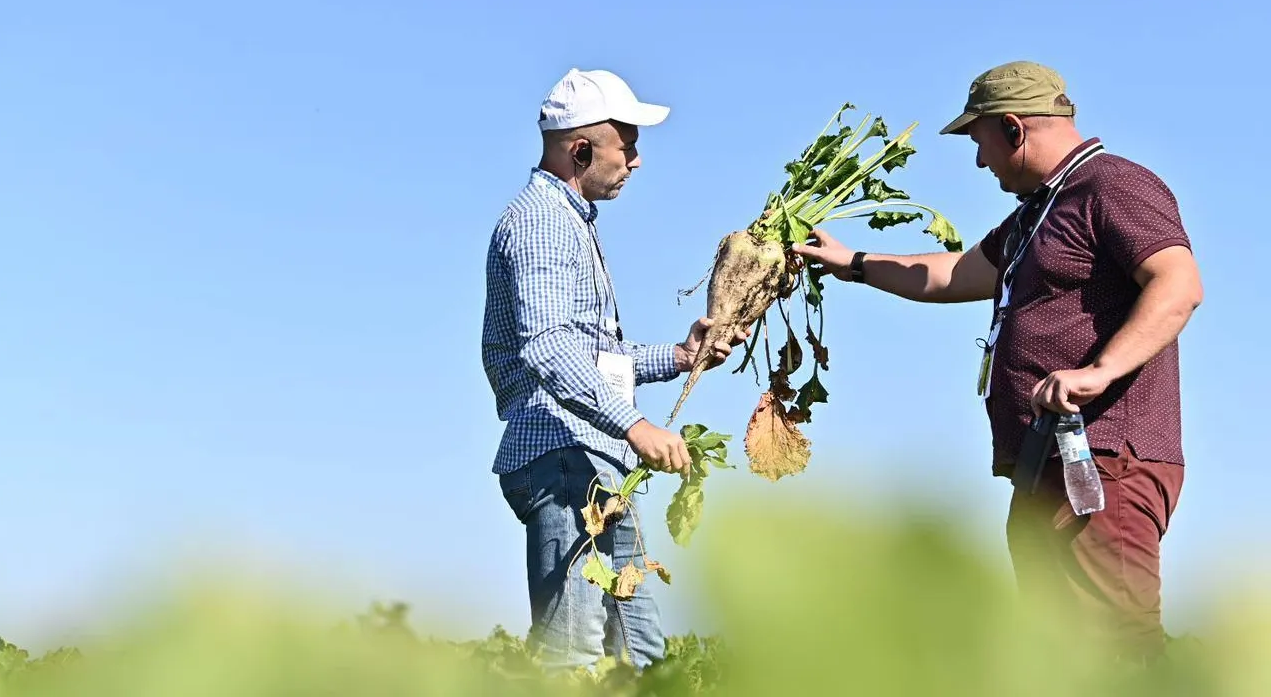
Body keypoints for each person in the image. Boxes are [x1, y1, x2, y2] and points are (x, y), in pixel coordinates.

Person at [792, 60, 1203, 664]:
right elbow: (954, 274)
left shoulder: (1111, 186)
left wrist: (1101, 370)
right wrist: (853, 262)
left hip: (1105, 460)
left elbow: (1178, 282)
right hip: (1047, 462)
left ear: (1013, 129)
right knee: (1058, 656)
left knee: (1120, 651)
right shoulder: (1040, 210)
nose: (980, 162)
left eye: (980, 141)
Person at [481, 67, 749, 671]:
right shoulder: (542, 223)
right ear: (581, 150)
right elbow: (549, 349)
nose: (636, 160)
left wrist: (680, 357)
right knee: (571, 658)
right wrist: (635, 425)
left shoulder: (568, 220)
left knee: (640, 655)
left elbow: (592, 355)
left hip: (591, 463)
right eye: (626, 145)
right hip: (563, 458)